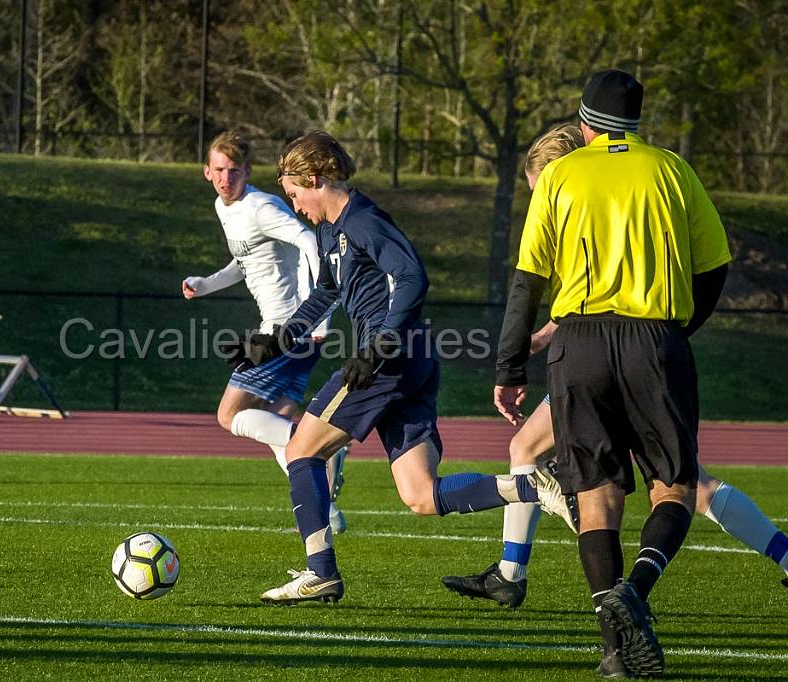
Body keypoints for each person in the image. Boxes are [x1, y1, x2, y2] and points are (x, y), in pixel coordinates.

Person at [441, 125, 788, 612]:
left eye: (542, 187)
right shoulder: (618, 190)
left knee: (674, 487)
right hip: (639, 353)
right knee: (687, 485)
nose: (542, 199)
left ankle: (529, 574)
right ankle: (513, 571)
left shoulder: (580, 195)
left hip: (605, 362)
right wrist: (545, 334)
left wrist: (522, 352)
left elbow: (590, 294)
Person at [248, 130, 571, 606]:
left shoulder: (364, 220)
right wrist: (279, 338)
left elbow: (413, 277)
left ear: (314, 179)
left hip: (388, 360)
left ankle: (321, 573)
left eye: (295, 195)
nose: (296, 206)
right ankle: (533, 486)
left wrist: (375, 349)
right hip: (406, 361)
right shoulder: (330, 228)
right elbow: (325, 292)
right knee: (421, 495)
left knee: (301, 452)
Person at [493, 70, 730, 678]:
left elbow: (528, 280)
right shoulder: (671, 169)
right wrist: (677, 330)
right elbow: (713, 267)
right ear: (636, 121)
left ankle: (613, 653)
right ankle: (638, 588)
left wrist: (510, 364)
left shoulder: (563, 174)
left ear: (584, 122)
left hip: (579, 341)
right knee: (673, 487)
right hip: (655, 338)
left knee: (596, 496)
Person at [182, 131, 349, 533]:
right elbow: (245, 260)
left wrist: (320, 315)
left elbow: (309, 240)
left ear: (248, 172)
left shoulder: (261, 206)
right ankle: (323, 510)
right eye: (219, 170)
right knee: (275, 424)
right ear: (207, 172)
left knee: (230, 414)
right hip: (292, 332)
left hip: (288, 331)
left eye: (234, 171)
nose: (226, 178)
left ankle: (322, 443)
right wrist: (205, 284)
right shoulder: (226, 208)